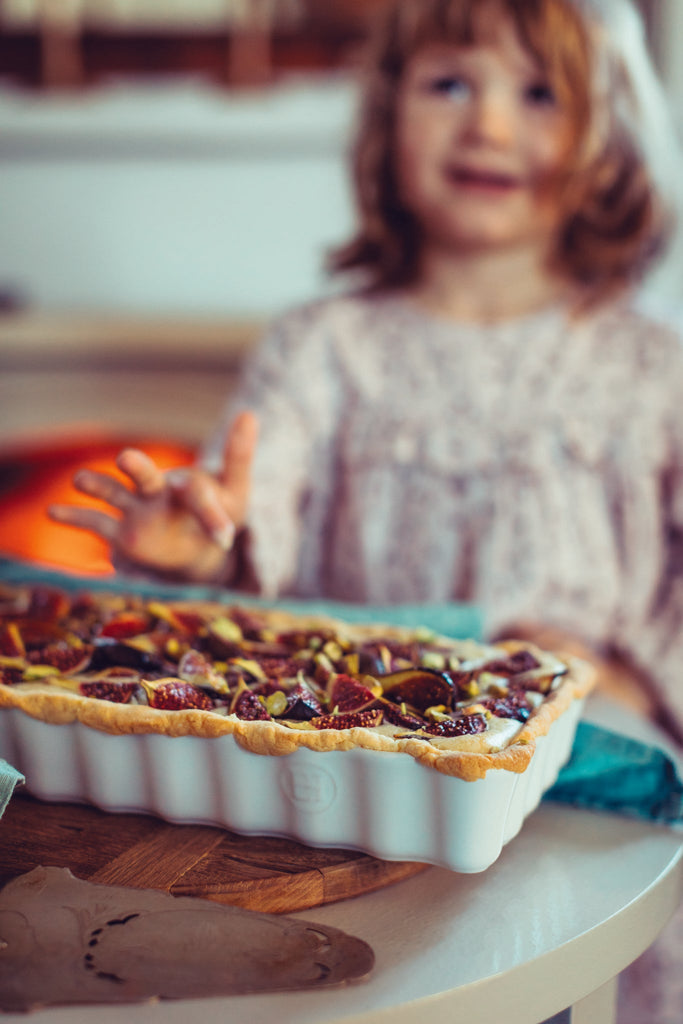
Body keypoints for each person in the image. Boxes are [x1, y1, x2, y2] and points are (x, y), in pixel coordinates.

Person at [47, 2, 683, 1018]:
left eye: (537, 93)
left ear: (605, 137)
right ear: (386, 115)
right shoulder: (321, 350)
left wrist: (627, 683)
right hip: (368, 830)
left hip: (589, 814)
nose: (487, 125)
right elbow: (249, 520)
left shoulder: (653, 371)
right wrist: (200, 550)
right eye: (448, 83)